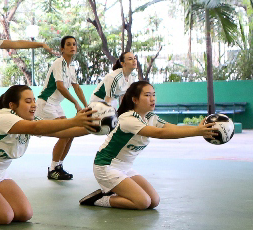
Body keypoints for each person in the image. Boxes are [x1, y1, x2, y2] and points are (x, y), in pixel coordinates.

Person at [0, 85, 97, 225]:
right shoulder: (3, 118)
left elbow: (62, 132)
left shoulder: (28, 119)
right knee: (3, 216)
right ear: (12, 105)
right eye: (28, 101)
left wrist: (96, 127)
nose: (34, 105)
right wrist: (75, 120)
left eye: (34, 100)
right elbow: (37, 128)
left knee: (24, 213)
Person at [80, 81, 218, 209]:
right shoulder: (128, 119)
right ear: (135, 100)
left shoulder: (150, 117)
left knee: (154, 201)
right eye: (147, 95)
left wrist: (199, 129)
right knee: (142, 202)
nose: (152, 99)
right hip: (106, 166)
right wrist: (197, 132)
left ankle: (115, 191)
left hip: (125, 167)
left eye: (154, 95)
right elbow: (160, 133)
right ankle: (99, 200)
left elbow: (172, 128)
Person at [35, 36, 87, 181]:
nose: (72, 46)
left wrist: (86, 106)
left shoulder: (71, 68)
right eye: (68, 44)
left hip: (56, 104)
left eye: (74, 44)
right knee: (65, 134)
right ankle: (53, 169)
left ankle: (58, 166)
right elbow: (60, 86)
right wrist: (76, 103)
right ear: (62, 49)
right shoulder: (59, 63)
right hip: (46, 103)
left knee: (70, 134)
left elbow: (77, 88)